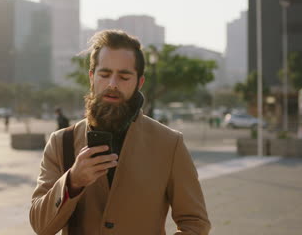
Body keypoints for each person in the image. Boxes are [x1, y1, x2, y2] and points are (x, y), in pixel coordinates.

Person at [30, 30, 210, 234]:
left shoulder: (169, 143)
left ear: (139, 82)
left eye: (124, 77)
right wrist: (73, 181)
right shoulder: (61, 141)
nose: (112, 84)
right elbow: (40, 226)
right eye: (104, 75)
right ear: (92, 77)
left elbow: (195, 223)